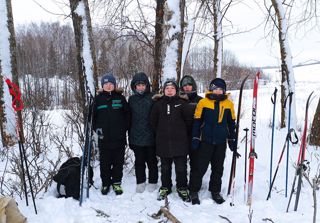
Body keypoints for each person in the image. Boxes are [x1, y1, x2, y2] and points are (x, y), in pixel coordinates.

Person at [189, 78, 237, 205]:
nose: (218, 92)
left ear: (224, 91)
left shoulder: (229, 104)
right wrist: (195, 137)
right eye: (215, 89)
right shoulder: (203, 103)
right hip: (205, 142)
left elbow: (232, 124)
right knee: (199, 168)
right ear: (211, 89)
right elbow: (197, 122)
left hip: (221, 143)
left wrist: (232, 139)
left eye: (221, 89)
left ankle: (215, 191)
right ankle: (193, 191)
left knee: (218, 169)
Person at [150, 79, 192, 202]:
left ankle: (182, 187)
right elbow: (153, 122)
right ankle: (165, 187)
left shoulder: (182, 103)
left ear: (176, 90)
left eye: (172, 89)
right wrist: (160, 133)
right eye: (167, 89)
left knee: (181, 168)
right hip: (163, 142)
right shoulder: (158, 104)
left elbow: (189, 121)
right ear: (163, 91)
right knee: (165, 168)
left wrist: (183, 134)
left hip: (180, 142)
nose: (169, 91)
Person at [93, 73, 130, 196]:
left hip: (119, 138)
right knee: (105, 163)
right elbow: (92, 118)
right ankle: (105, 183)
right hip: (104, 138)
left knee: (118, 162)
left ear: (114, 85)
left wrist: (123, 128)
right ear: (102, 86)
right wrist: (97, 130)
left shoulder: (121, 98)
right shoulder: (97, 100)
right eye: (106, 84)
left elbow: (128, 115)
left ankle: (116, 183)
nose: (108, 86)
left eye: (111, 84)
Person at [129, 72, 158, 193]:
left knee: (152, 161)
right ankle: (140, 181)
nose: (141, 87)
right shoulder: (131, 99)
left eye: (143, 85)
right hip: (136, 137)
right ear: (134, 87)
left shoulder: (153, 98)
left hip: (151, 136)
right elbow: (128, 117)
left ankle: (153, 181)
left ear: (147, 85)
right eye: (138, 85)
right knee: (139, 161)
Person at [179, 75, 202, 202]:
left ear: (193, 85)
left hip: (196, 137)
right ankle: (182, 186)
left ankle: (194, 189)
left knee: (195, 164)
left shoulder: (200, 100)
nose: (187, 87)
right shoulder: (178, 100)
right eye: (184, 85)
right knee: (181, 165)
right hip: (181, 138)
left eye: (189, 85)